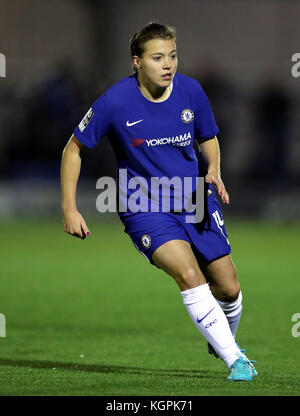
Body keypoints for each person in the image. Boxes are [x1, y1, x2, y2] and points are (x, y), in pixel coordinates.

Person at [60, 23, 257, 381]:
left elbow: (208, 137)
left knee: (229, 288)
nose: (168, 65)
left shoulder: (192, 92)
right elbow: (73, 149)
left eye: (172, 56)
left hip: (196, 198)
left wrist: (213, 168)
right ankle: (236, 361)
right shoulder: (115, 101)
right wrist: (69, 208)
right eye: (157, 58)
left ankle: (222, 339)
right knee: (189, 275)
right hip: (144, 206)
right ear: (137, 62)